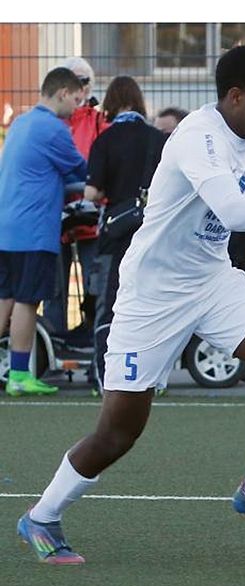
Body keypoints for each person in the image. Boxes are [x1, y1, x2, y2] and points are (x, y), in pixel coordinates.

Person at [16, 45, 245, 564]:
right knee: (119, 430)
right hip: (152, 296)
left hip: (212, 281)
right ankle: (41, 516)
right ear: (235, 97)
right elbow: (234, 211)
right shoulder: (198, 136)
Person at [0, 67, 87, 396]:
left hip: (6, 228)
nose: (78, 107)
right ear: (63, 93)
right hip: (32, 231)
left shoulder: (20, 122)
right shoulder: (53, 129)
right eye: (76, 99)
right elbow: (83, 171)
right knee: (25, 302)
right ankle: (19, 376)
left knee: (4, 298)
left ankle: (18, 374)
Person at [84, 75, 168, 395]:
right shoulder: (158, 140)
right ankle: (150, 377)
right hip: (153, 233)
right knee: (150, 304)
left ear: (111, 103)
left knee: (111, 304)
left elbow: (92, 192)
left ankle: (106, 376)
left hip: (116, 236)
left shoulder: (105, 141)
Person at [42, 56, 110, 343]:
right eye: (74, 81)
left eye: (85, 81)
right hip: (55, 214)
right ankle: (54, 341)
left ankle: (92, 342)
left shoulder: (98, 120)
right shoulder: (53, 121)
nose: (80, 88)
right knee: (54, 286)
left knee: (96, 282)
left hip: (91, 214)